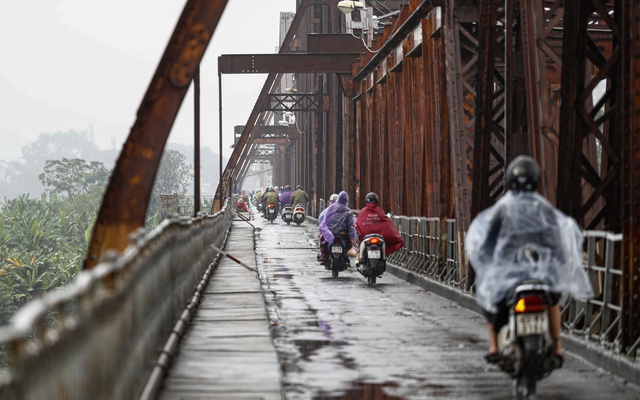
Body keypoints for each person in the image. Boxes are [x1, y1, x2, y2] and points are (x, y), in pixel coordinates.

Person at [464, 155, 594, 366]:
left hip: (507, 273)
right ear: (535, 179)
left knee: (490, 297)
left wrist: (487, 262)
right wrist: (562, 262)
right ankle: (558, 348)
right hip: (540, 272)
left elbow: (486, 241)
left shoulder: (502, 208)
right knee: (552, 301)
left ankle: (494, 346)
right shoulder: (543, 209)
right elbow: (557, 241)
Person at [354, 192, 404, 267]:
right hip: (378, 235)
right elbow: (386, 221)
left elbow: (359, 223)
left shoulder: (362, 212)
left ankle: (359, 259)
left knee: (361, 242)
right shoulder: (379, 211)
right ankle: (383, 259)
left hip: (366, 235)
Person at [318, 191, 358, 266]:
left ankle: (324, 257)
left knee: (323, 243)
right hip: (342, 234)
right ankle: (345, 258)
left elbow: (324, 221)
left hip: (331, 233)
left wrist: (321, 231)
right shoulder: (348, 211)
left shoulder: (331, 208)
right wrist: (352, 238)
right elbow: (350, 226)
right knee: (348, 245)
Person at [317, 193, 339, 261]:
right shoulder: (343, 209)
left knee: (322, 240)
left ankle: (323, 254)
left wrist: (321, 231)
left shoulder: (326, 210)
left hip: (329, 232)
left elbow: (321, 220)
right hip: (340, 232)